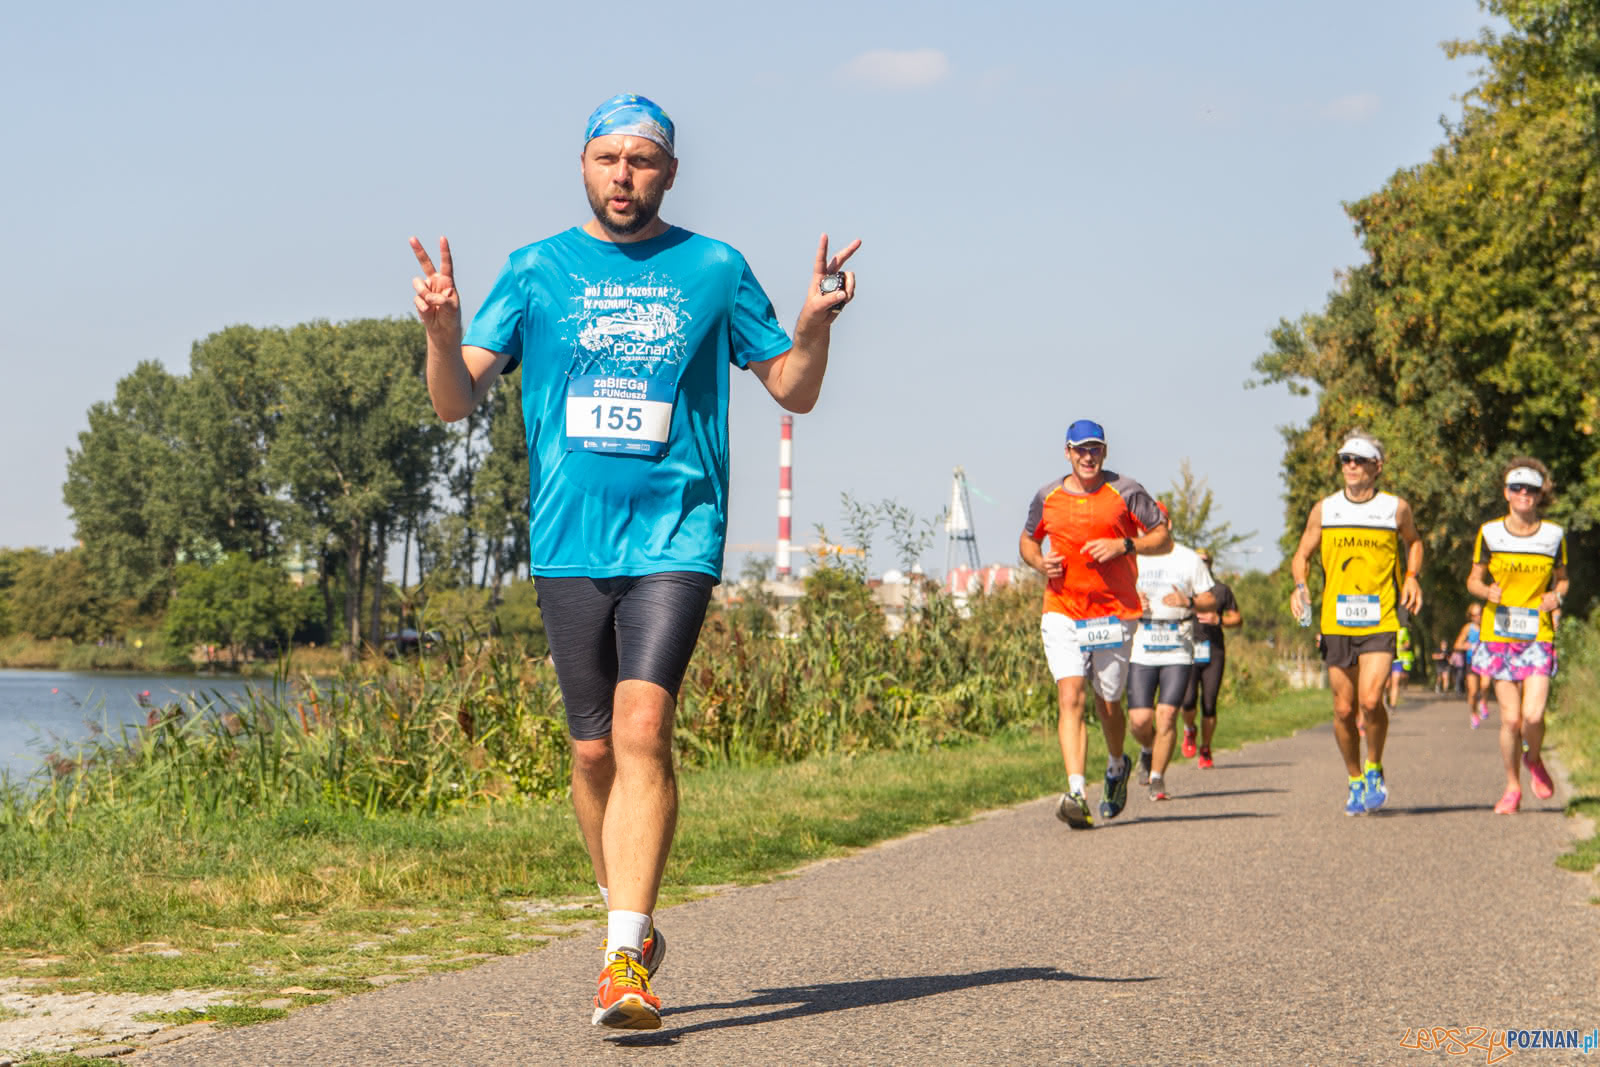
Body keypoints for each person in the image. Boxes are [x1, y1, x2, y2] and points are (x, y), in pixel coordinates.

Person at [409, 93, 859, 1030]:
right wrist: (442, 336)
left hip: (677, 534)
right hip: (568, 538)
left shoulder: (714, 268)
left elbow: (793, 390)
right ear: (582, 165)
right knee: (589, 748)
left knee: (643, 726)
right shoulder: (536, 269)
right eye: (608, 158)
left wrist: (814, 324)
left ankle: (623, 955)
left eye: (643, 160)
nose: (624, 175)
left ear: (671, 173)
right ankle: (627, 915)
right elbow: (455, 402)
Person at [1021, 420, 1171, 829]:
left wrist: (1125, 544)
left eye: (1095, 450)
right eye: (1080, 450)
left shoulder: (1125, 491)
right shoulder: (1047, 496)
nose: (1088, 457)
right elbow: (1028, 539)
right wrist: (1038, 562)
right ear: (1067, 453)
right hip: (1063, 609)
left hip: (1113, 613)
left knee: (1108, 704)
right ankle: (1075, 791)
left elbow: (1163, 537)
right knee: (1071, 696)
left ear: (1104, 453)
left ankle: (1116, 764)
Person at [1288, 431, 1423, 816]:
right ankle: (1354, 778)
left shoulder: (1395, 508)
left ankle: (1375, 766)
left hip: (1380, 616)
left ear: (1377, 467)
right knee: (1344, 709)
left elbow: (1413, 541)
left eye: (1359, 460)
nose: (1350, 466)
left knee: (1369, 699)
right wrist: (1300, 587)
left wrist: (1411, 575)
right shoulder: (1325, 510)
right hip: (1336, 620)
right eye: (1345, 459)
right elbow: (1303, 553)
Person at [1465, 457, 1569, 815]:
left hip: (1538, 636)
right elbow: (1473, 579)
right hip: (1499, 636)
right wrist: (1485, 592)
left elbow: (1563, 578)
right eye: (1516, 487)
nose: (1523, 493)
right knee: (1511, 719)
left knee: (1534, 716)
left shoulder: (1553, 535)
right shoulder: (1490, 533)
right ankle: (1512, 787)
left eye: (1531, 488)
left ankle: (1534, 759)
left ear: (1541, 494)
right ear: (1506, 492)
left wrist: (1558, 595)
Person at [1128, 537, 1217, 801]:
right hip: (1142, 644)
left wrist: (1188, 602)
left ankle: (1157, 777)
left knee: (1166, 715)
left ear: (1167, 527)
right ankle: (1147, 748)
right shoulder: (1130, 558)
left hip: (1177, 645)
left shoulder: (1188, 558)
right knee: (1140, 720)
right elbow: (1109, 596)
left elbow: (1210, 602)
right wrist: (1132, 602)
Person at [1179, 549, 1242, 769]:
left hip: (1213, 651)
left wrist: (1219, 619)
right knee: (1187, 701)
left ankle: (1206, 748)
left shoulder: (1221, 590)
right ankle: (1189, 730)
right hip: (1188, 650)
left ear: (1211, 564)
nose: (1202, 564)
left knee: (1209, 703)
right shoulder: (1184, 590)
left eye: (1205, 561)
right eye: (1199, 561)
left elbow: (1237, 618)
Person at [1452, 603, 1486, 725]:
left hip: (1486, 661)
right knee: (1473, 691)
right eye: (1474, 615)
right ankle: (1473, 713)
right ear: (1470, 616)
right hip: (1472, 661)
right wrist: (1467, 646)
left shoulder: (1489, 626)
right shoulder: (1468, 628)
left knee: (1485, 685)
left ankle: (1483, 702)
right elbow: (1457, 645)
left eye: (1480, 614)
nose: (1478, 617)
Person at [1387, 624, 1414, 708]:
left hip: (1398, 660)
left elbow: (1407, 642)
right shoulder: (1384, 626)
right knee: (1387, 684)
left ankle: (1393, 705)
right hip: (1385, 659)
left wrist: (1403, 647)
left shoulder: (1403, 630)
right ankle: (1388, 696)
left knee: (1395, 682)